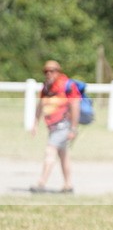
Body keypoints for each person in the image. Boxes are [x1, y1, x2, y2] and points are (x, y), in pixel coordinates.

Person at [30, 60, 82, 194]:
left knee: (50, 151)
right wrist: (35, 123)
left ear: (58, 71)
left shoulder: (67, 85)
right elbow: (40, 105)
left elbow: (75, 106)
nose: (48, 73)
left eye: (52, 70)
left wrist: (73, 128)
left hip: (63, 125)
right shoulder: (46, 87)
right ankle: (68, 185)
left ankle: (41, 183)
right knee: (63, 155)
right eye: (46, 71)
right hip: (52, 126)